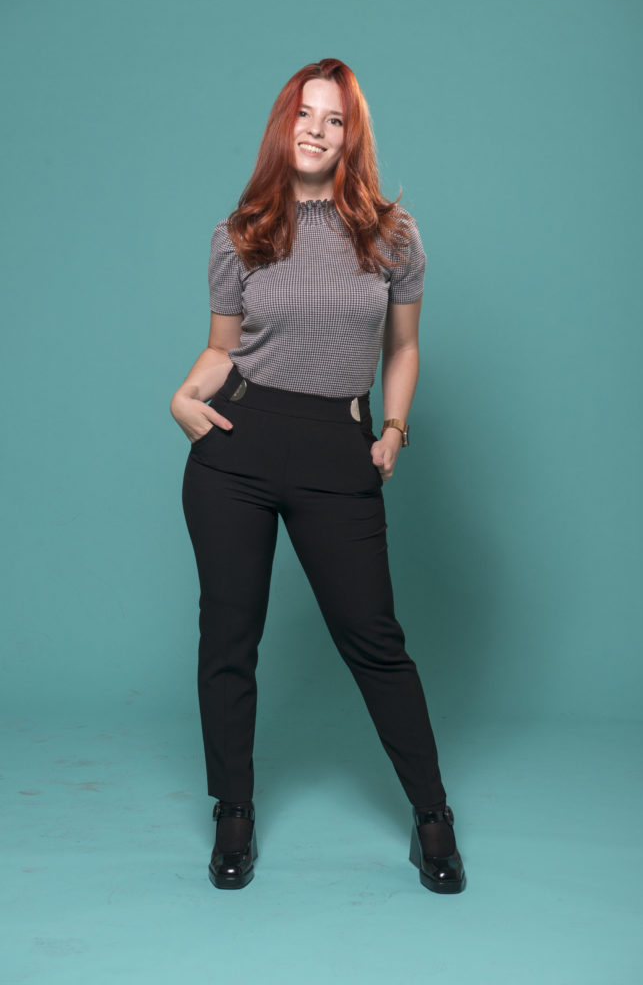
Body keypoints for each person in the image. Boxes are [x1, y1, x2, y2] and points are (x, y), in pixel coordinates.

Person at [170, 58, 466, 895]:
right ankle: (233, 811)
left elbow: (401, 348)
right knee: (229, 637)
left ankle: (432, 816)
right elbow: (223, 349)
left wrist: (394, 428)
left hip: (338, 451)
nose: (316, 129)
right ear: (283, 124)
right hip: (236, 448)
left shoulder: (391, 235)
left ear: (350, 136)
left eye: (334, 119)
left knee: (374, 639)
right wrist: (183, 395)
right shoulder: (239, 232)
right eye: (305, 113)